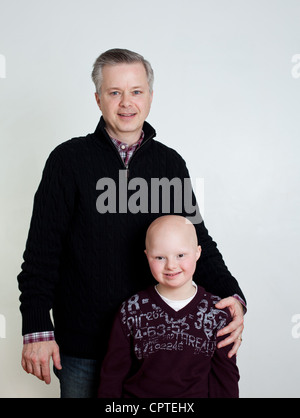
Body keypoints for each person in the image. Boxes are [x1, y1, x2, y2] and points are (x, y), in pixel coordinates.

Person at [18, 48, 245, 398]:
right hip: (84, 347)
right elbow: (41, 253)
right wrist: (36, 327)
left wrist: (233, 295)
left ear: (150, 97)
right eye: (114, 92)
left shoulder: (169, 164)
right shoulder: (68, 161)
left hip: (157, 346)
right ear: (98, 99)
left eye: (136, 91)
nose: (127, 102)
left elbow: (196, 241)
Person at [98, 215, 239, 398]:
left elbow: (225, 380)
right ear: (147, 256)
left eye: (180, 255)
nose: (171, 265)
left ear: (197, 252)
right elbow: (112, 376)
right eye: (159, 257)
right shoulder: (131, 310)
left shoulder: (218, 313)